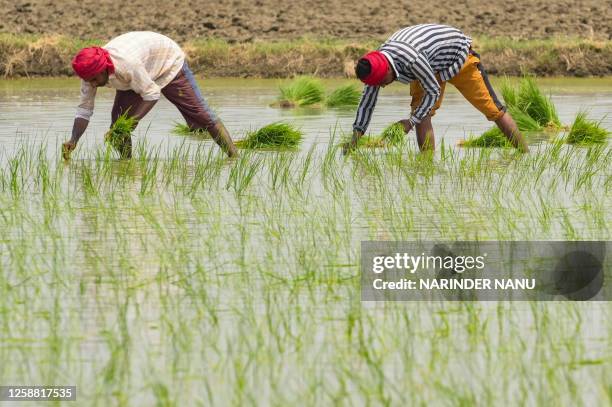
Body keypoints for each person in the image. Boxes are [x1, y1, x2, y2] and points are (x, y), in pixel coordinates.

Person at [344, 24, 529, 153]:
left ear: (387, 69)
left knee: (493, 110)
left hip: (457, 58)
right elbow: (366, 104)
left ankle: (526, 156)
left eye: (383, 82)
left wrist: (409, 122)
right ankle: (427, 168)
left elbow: (432, 91)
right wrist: (355, 138)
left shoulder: (411, 59)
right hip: (429, 64)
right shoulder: (375, 65)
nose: (382, 86)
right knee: (422, 113)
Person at [62, 31, 238, 159]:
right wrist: (74, 140)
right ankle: (126, 164)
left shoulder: (126, 65)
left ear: (104, 68)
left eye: (94, 79)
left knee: (201, 115)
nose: (91, 84)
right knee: (118, 124)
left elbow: (152, 94)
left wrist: (132, 122)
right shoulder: (89, 73)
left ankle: (234, 158)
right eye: (88, 80)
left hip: (167, 61)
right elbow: (84, 110)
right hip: (141, 69)